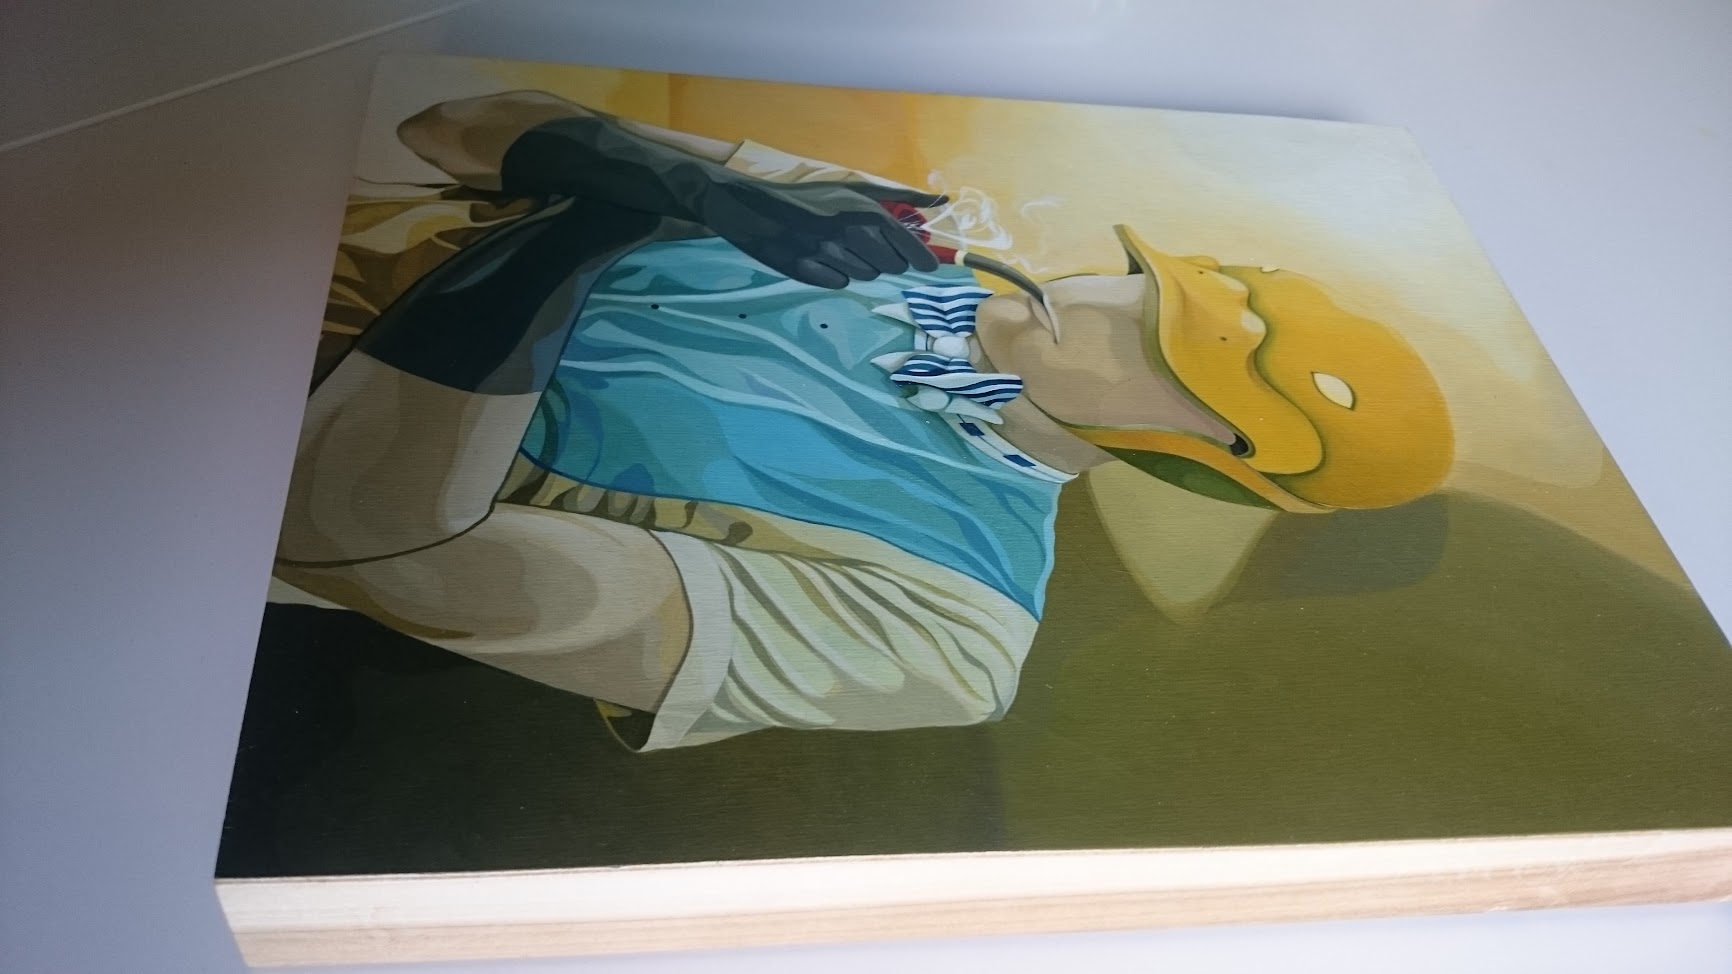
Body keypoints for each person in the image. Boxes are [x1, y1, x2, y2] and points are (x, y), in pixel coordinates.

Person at [271, 90, 1454, 750]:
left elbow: (356, 535)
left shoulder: (944, 628)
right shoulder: (907, 225)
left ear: (1204, 460)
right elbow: (452, 127)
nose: (1092, 296)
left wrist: (601, 217)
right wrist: (704, 186)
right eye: (1147, 285)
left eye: (1155, 346)